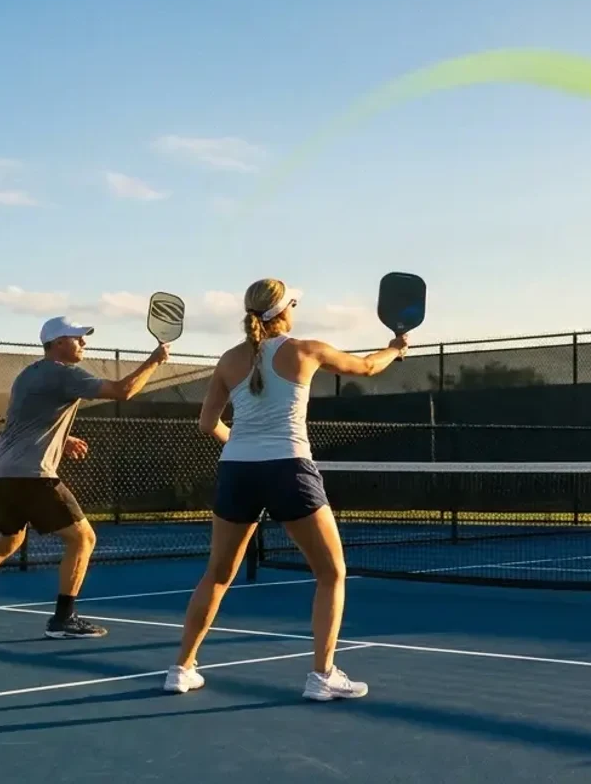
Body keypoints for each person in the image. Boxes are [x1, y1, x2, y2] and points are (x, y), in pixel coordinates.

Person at [163, 278, 409, 700]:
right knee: (331, 573)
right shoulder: (305, 350)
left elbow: (206, 424)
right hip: (289, 470)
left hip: (237, 472)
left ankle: (181, 669)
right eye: (293, 304)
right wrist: (395, 349)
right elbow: (368, 367)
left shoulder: (228, 360)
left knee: (217, 575)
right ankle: (322, 676)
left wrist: (241, 444)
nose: (295, 310)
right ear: (282, 312)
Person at [0, 316, 170, 638]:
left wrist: (62, 438)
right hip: (31, 474)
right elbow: (122, 391)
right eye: (77, 338)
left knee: (8, 541)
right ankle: (63, 619)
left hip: (1, 472)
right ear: (58, 343)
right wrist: (154, 361)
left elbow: (25, 419)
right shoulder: (63, 373)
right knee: (83, 538)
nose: (83, 343)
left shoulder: (28, 374)